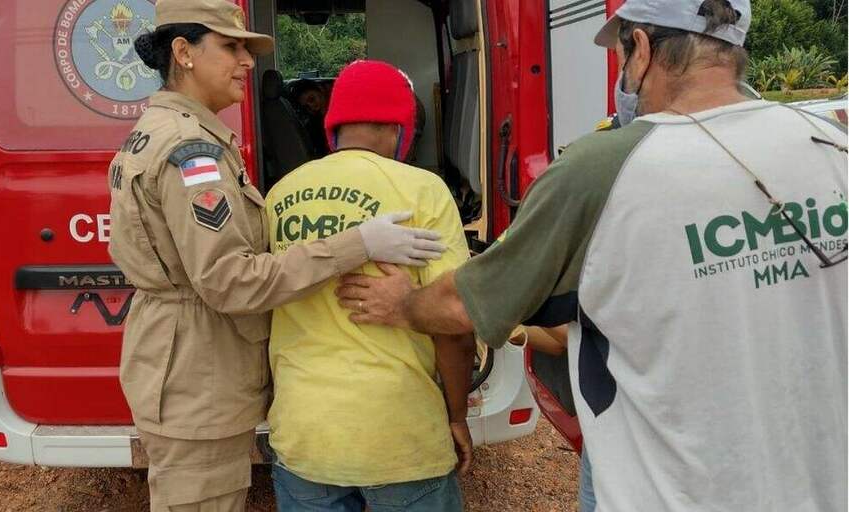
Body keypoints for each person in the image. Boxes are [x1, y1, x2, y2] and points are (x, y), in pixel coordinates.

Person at [335, 1, 848, 510]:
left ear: (642, 48)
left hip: (669, 493)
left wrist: (403, 304)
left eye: (623, 57)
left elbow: (464, 306)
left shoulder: (603, 167)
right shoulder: (831, 144)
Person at [108, 2, 447, 510]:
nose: (247, 61)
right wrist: (358, 243)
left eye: (246, 48)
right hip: (197, 374)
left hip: (182, 362)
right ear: (183, 53)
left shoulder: (163, 132)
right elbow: (229, 281)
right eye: (230, 46)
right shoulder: (190, 152)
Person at [264, 59, 474, 512]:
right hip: (401, 437)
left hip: (306, 436)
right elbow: (454, 324)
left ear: (333, 127)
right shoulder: (424, 190)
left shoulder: (280, 194)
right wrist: (456, 416)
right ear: (401, 128)